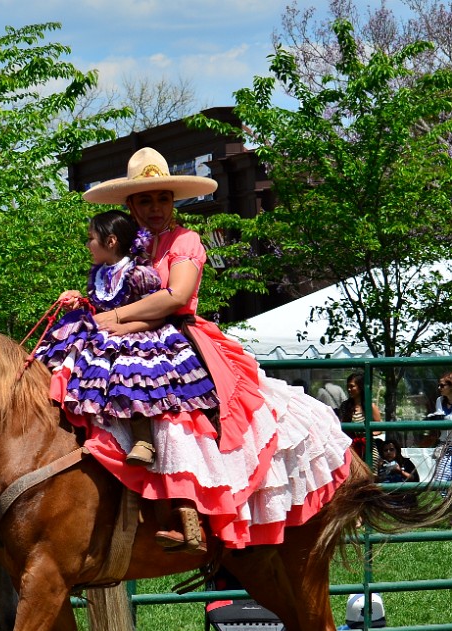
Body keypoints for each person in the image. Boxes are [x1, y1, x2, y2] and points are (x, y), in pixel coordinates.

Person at [78, 147, 353, 551]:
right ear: (131, 205)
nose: (156, 207)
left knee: (172, 411)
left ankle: (188, 514)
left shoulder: (185, 240)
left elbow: (176, 296)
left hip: (177, 336)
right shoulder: (131, 248)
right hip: (129, 336)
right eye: (146, 199)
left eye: (163, 198)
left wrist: (115, 319)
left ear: (173, 201)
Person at [33, 209, 218, 469]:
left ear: (110, 242)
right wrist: (81, 304)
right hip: (107, 331)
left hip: (140, 333)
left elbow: (163, 311)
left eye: (90, 239)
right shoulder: (99, 272)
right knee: (65, 353)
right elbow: (100, 307)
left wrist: (125, 325)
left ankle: (144, 442)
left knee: (131, 375)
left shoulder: (140, 272)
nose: (87, 245)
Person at [338, 371, 383, 465]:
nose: (349, 389)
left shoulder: (370, 406)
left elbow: (379, 428)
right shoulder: (344, 406)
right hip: (350, 449)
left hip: (368, 449)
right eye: (348, 386)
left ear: (360, 387)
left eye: (352, 386)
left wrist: (366, 434)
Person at [376, 438, 419, 508]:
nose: (388, 452)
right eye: (385, 450)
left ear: (397, 450)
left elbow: (414, 479)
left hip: (403, 496)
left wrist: (400, 472)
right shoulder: (380, 465)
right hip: (386, 497)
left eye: (391, 449)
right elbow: (376, 480)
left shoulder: (405, 463)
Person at [427, 373, 452, 490]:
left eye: (442, 386)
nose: (439, 388)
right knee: (441, 481)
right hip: (445, 445)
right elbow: (440, 418)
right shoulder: (439, 401)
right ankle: (446, 505)